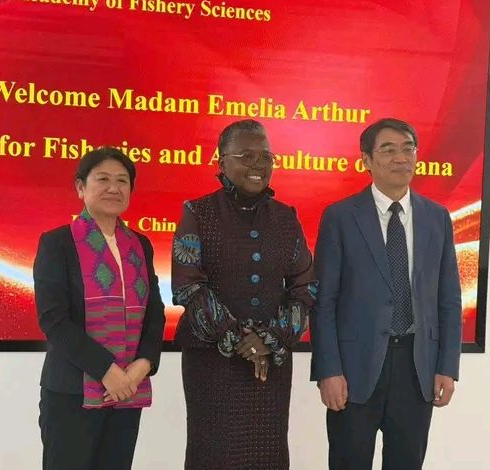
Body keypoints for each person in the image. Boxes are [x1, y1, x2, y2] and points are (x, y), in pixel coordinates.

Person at [310, 118, 462, 469]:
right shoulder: (341, 217)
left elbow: (449, 300)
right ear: (367, 160)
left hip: (417, 368)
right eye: (389, 149)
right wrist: (328, 370)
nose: (401, 158)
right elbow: (324, 302)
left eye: (408, 149)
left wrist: (447, 367)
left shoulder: (437, 217)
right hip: (354, 369)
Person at [171, 119, 316, 470]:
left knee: (267, 455)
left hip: (271, 362)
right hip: (211, 361)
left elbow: (306, 286)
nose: (258, 164)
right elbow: (188, 284)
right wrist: (238, 338)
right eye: (246, 156)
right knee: (213, 453)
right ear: (222, 162)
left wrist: (270, 338)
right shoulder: (198, 212)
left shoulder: (286, 218)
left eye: (265, 156)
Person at [33, 147, 165, 470]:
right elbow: (53, 319)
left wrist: (141, 366)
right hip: (72, 394)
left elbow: (155, 311)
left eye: (122, 181)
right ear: (81, 187)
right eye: (102, 179)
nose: (113, 188)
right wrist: (107, 370)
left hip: (127, 392)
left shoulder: (140, 245)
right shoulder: (57, 243)